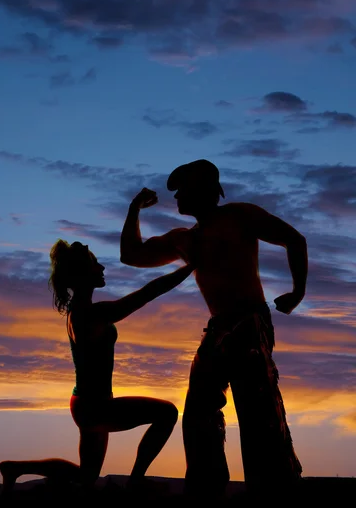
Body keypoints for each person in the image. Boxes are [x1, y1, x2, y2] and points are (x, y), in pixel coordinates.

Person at [120, 159, 308, 501]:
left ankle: (274, 490)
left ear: (204, 189)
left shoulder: (239, 215)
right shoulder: (184, 239)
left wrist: (297, 291)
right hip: (219, 328)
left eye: (183, 190)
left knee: (259, 413)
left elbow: (294, 240)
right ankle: (205, 491)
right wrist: (134, 210)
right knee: (198, 415)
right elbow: (131, 255)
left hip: (250, 323)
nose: (176, 197)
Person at [0, 239, 194, 496]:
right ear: (82, 275)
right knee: (167, 413)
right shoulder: (90, 314)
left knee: (86, 476)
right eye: (95, 265)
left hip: (87, 403)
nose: (102, 267)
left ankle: (13, 468)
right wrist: (191, 266)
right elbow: (148, 293)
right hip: (95, 406)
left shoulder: (80, 311)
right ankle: (135, 481)